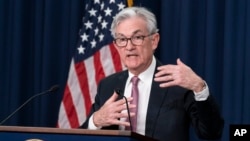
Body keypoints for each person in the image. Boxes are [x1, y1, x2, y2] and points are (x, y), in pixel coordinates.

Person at [80, 6, 224, 141]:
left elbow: (211, 133)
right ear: (116, 46)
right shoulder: (107, 85)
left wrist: (199, 87)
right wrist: (96, 120)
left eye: (137, 37)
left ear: (154, 41)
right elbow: (81, 135)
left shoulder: (177, 83)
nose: (129, 47)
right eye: (122, 39)